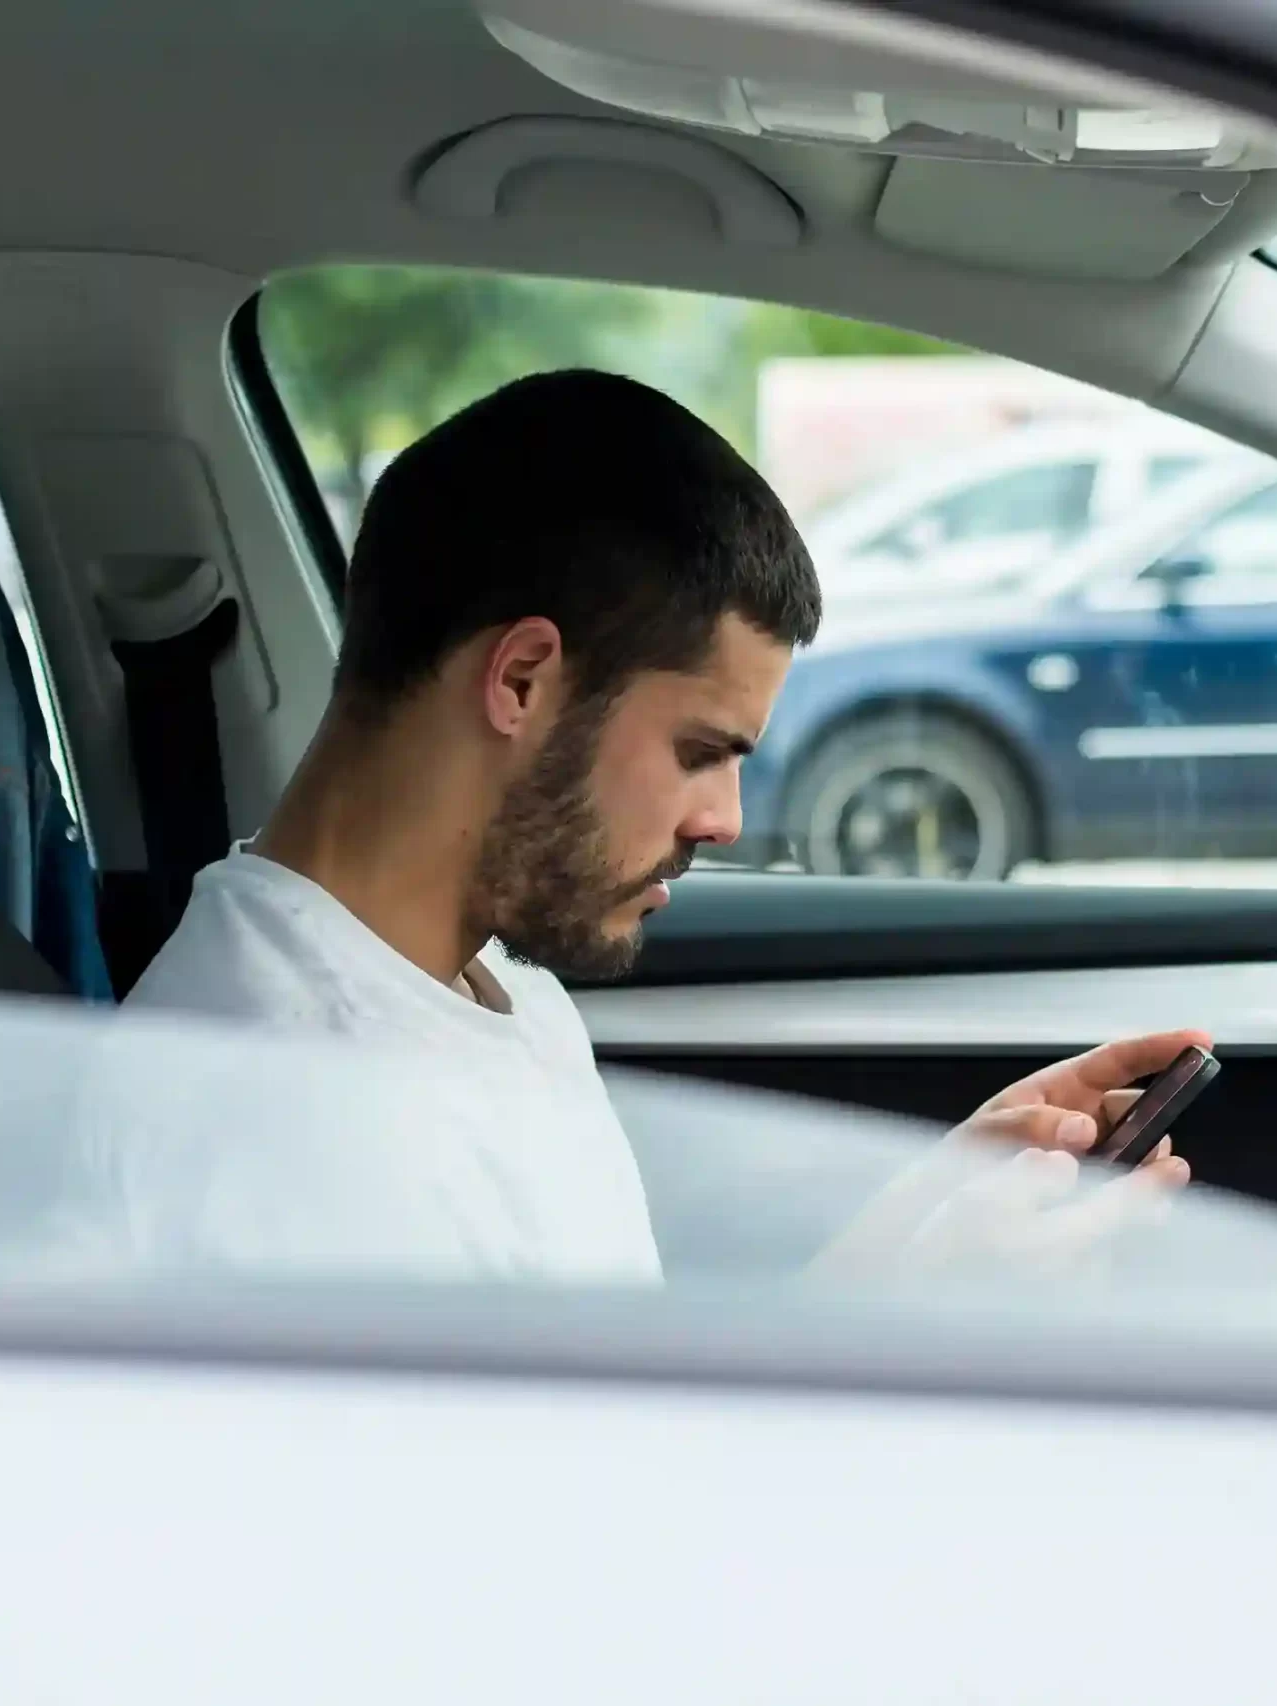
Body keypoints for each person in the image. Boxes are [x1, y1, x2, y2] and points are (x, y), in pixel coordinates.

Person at [127, 370, 1202, 1281]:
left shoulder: (486, 989)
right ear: (523, 676)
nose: (725, 819)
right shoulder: (289, 1128)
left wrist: (913, 1234)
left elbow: (601, 1439)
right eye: (700, 750)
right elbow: (583, 1529)